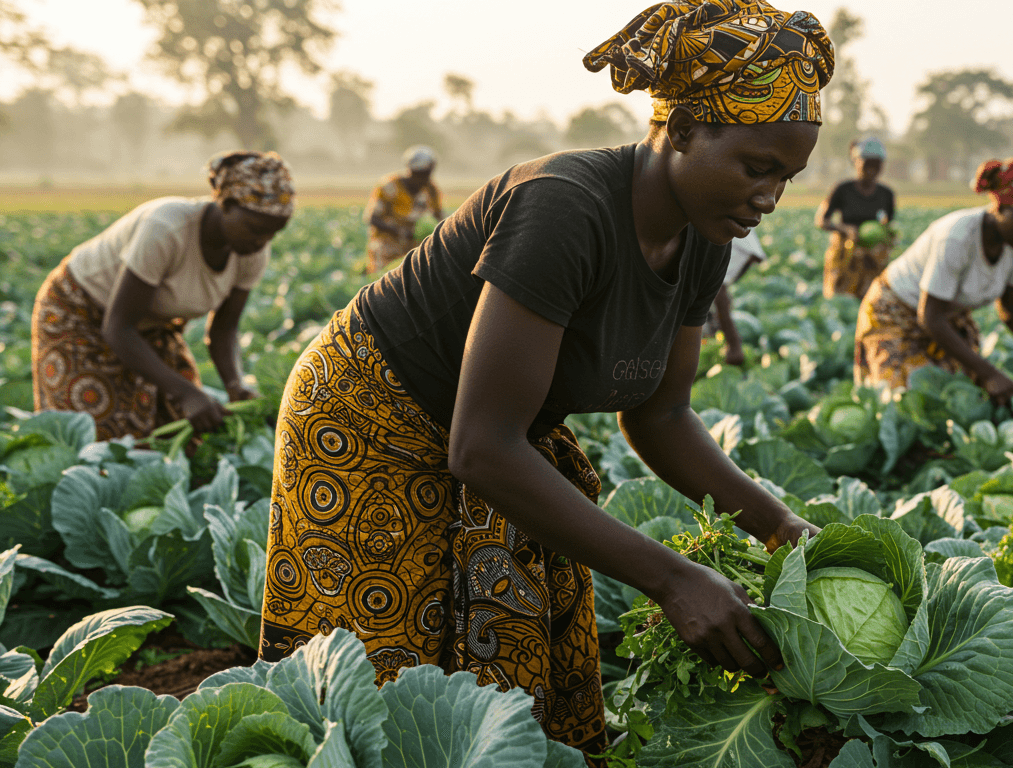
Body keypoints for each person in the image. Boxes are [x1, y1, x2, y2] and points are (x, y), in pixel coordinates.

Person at [258, 0, 832, 759]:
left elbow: (661, 417)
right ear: (685, 129)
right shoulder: (565, 205)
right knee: (385, 689)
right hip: (367, 417)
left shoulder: (704, 241)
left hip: (497, 437)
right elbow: (482, 448)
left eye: (787, 177)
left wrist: (782, 527)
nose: (770, 198)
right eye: (757, 168)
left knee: (510, 675)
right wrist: (673, 579)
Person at [32, 152, 293, 440]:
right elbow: (118, 328)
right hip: (79, 312)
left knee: (177, 430)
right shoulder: (167, 228)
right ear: (228, 205)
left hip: (149, 326)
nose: (262, 242)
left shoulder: (251, 252)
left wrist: (235, 385)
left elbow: (224, 328)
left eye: (273, 234)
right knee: (98, 432)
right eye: (255, 229)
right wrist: (185, 393)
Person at [854, 155, 1013, 405]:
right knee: (908, 402)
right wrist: (989, 374)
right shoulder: (957, 236)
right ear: (1000, 207)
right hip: (893, 313)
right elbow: (930, 316)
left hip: (944, 319)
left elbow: (1010, 306)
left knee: (957, 398)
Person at [816, 136, 896, 298]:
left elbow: (888, 225)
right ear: (856, 162)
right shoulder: (842, 189)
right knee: (841, 298)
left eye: (876, 164)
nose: (872, 169)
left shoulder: (886, 194)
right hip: (844, 255)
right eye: (868, 163)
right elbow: (822, 220)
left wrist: (886, 237)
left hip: (872, 258)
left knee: (870, 298)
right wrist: (845, 229)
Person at [363, 145, 444, 274]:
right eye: (419, 174)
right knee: (382, 279)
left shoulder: (430, 190)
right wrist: (399, 231)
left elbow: (439, 217)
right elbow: (372, 218)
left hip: (412, 247)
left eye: (426, 174)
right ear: (410, 170)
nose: (423, 178)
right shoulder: (389, 186)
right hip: (386, 245)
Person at [710, 229, 769, 365]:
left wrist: (733, 345)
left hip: (739, 245)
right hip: (743, 243)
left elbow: (719, 292)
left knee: (718, 289)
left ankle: (733, 346)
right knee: (717, 290)